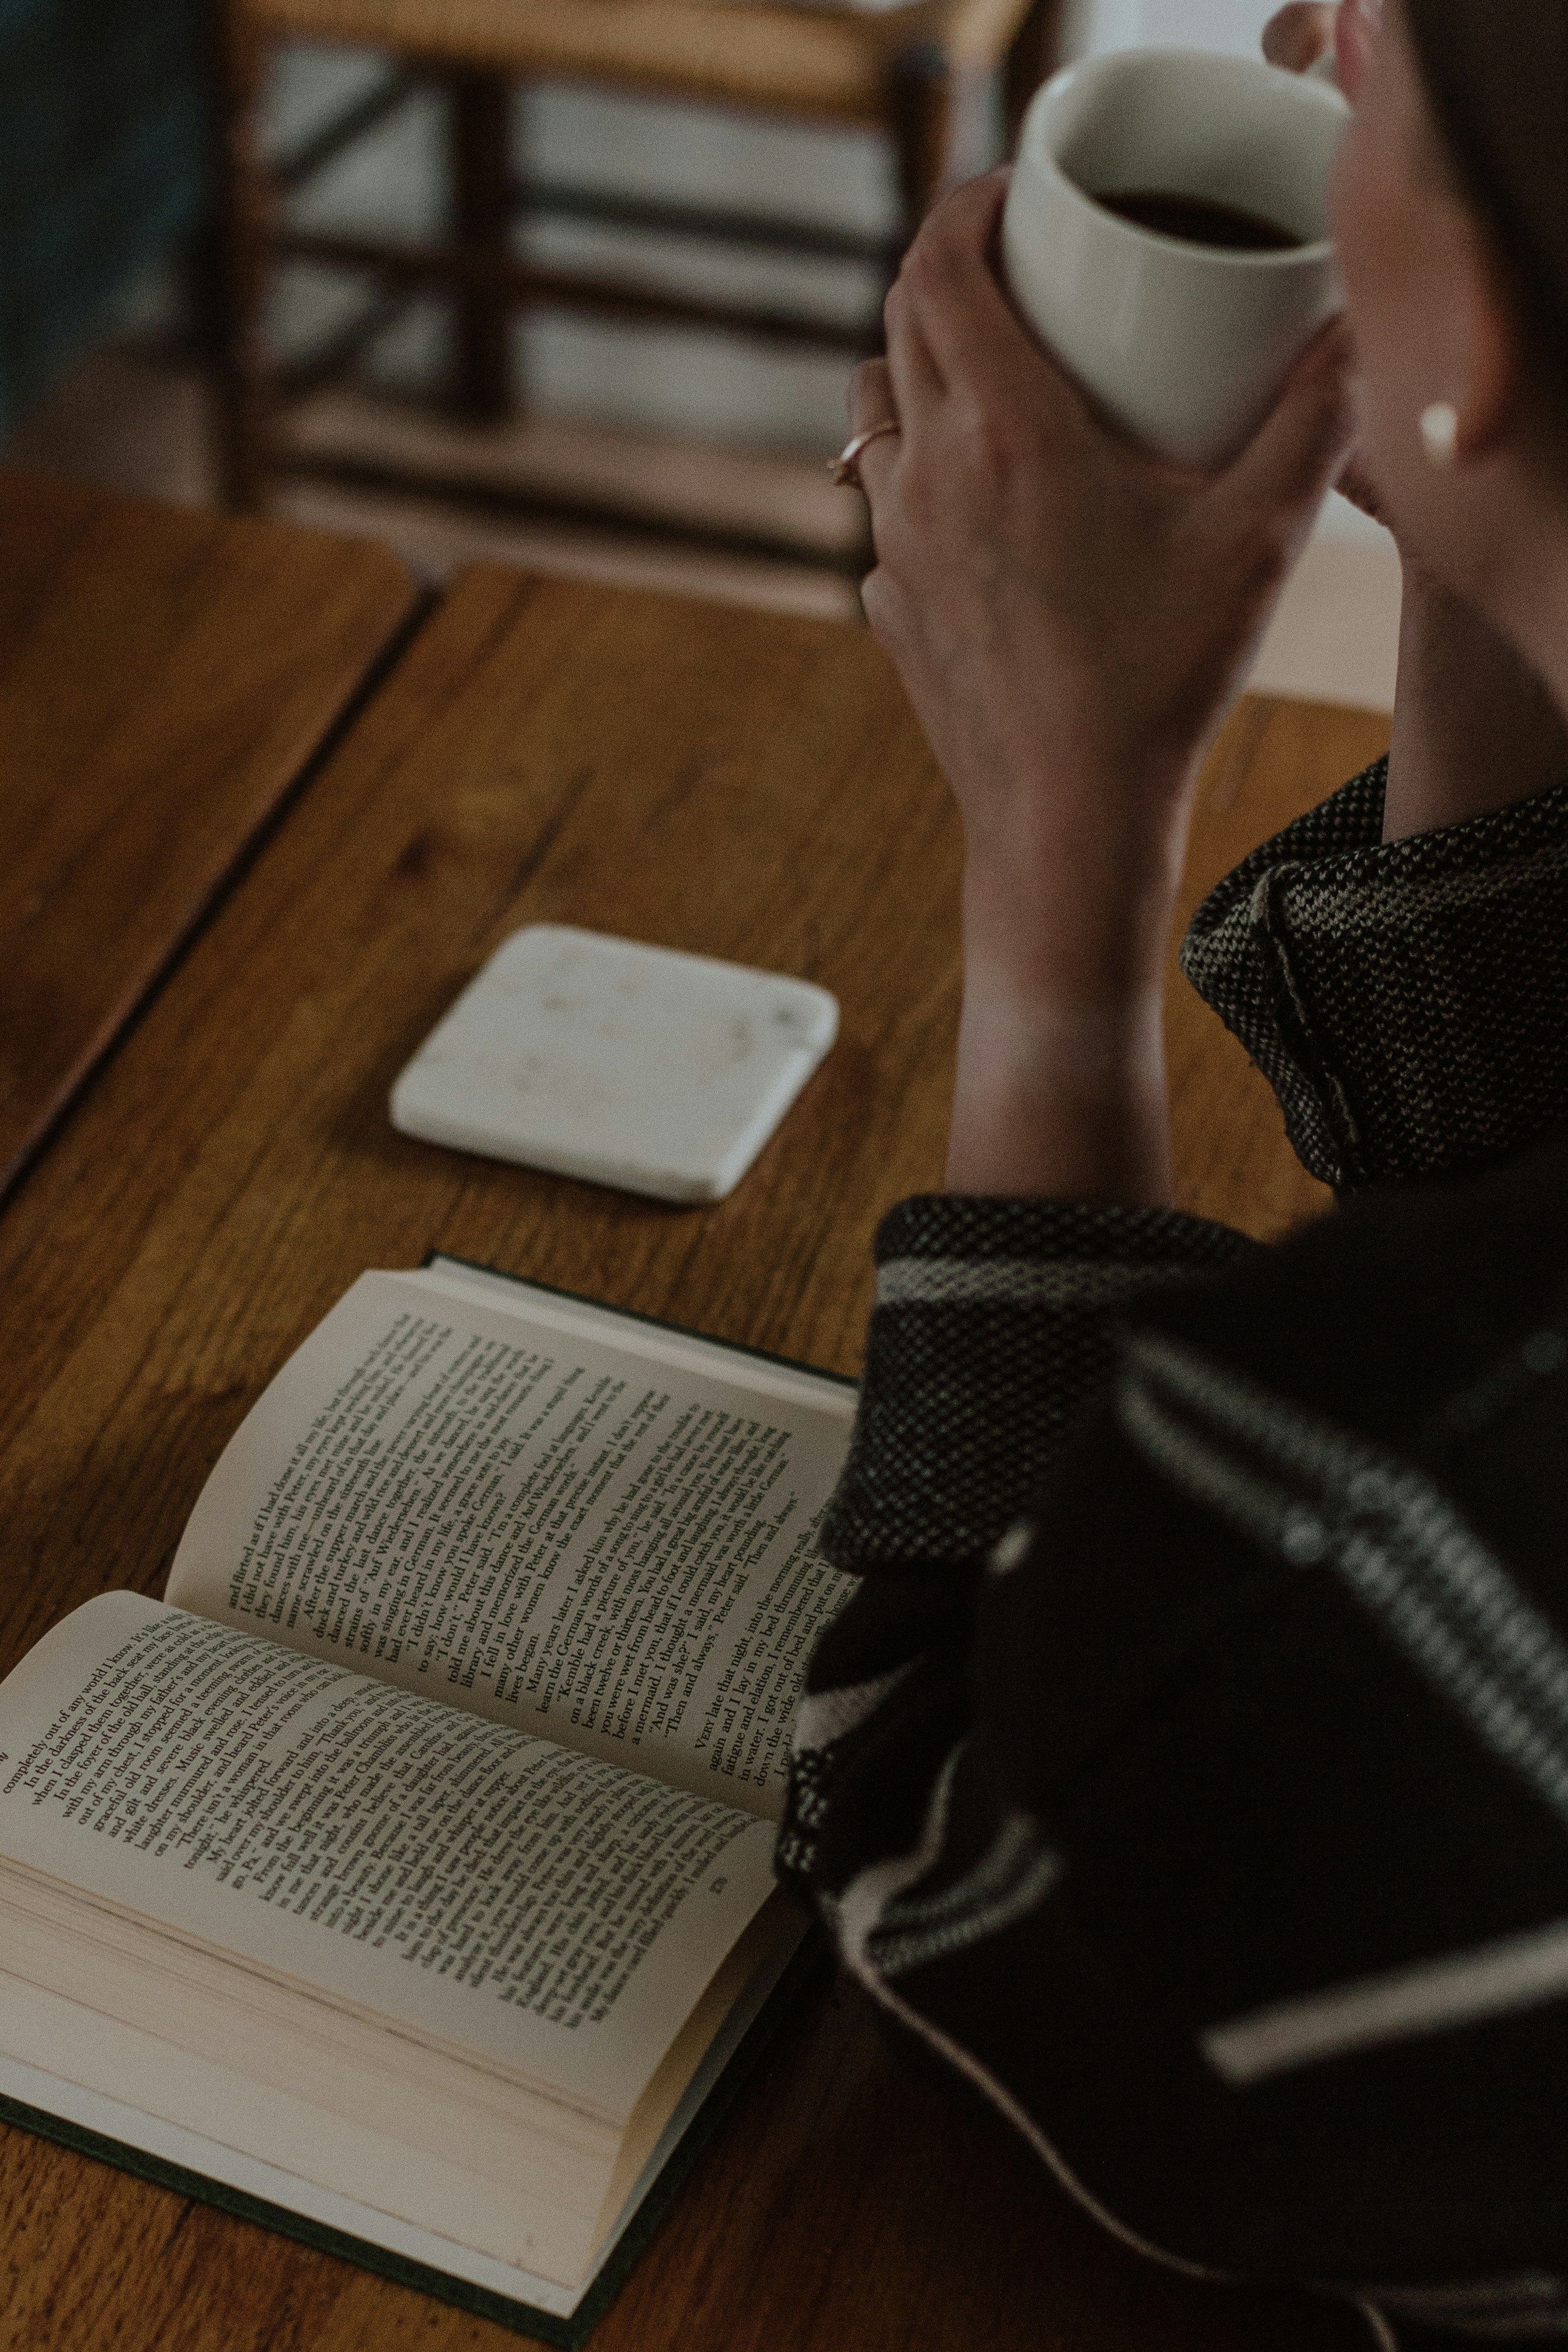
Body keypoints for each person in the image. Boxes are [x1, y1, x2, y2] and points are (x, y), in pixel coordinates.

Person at [777, 4, 1568, 2345]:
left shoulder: (1393, 1539)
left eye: (1389, 51)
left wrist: (1064, 838)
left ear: (1499, 313)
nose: (1307, 45)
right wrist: (1482, 538)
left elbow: (959, 1861)